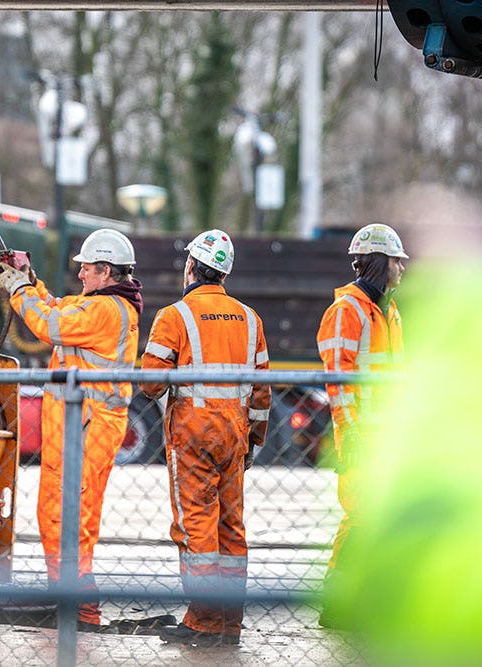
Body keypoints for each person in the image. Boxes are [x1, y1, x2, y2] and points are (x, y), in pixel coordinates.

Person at [0, 228, 142, 630]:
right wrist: (29, 278)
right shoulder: (103, 306)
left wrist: (19, 290)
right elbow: (57, 306)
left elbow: (49, 324)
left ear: (106, 270)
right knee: (68, 517)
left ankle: (76, 607)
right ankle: (72, 602)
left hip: (86, 427)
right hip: (83, 427)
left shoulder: (105, 311)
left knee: (67, 517)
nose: (80, 274)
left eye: (86, 269)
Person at [139, 229, 271, 647]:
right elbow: (262, 391)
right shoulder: (251, 319)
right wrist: (255, 441)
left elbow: (150, 384)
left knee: (196, 526)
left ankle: (203, 621)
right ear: (224, 274)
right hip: (234, 435)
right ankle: (230, 622)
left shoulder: (175, 316)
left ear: (192, 267)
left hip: (192, 436)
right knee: (232, 527)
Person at [315, 222, 407, 629]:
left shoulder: (388, 312)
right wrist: (351, 432)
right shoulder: (346, 311)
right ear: (379, 263)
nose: (402, 270)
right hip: (361, 436)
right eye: (397, 263)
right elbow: (338, 379)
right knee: (360, 515)